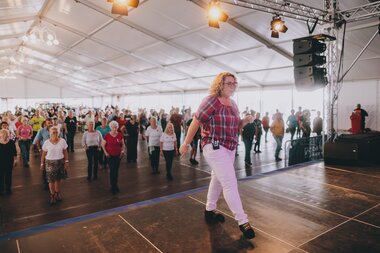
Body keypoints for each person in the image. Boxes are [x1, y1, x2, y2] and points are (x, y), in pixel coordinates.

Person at [179, 72, 256, 240]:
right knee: (229, 182)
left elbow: (236, 128)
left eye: (234, 83)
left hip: (230, 147)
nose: (232, 86)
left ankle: (209, 210)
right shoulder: (211, 100)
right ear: (220, 84)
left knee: (218, 179)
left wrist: (245, 121)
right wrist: (185, 143)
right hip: (213, 146)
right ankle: (243, 221)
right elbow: (196, 121)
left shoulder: (234, 104)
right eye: (229, 83)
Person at [40, 127, 69, 205]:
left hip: (60, 162)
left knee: (58, 180)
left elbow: (65, 151)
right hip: (49, 163)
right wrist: (42, 163)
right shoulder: (46, 142)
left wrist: (66, 161)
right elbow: (43, 154)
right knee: (51, 181)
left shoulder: (62, 141)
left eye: (56, 132)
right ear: (49, 133)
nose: (55, 134)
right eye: (53, 132)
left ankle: (57, 193)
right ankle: (52, 195)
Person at [102, 121, 125, 195]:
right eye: (113, 127)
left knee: (116, 171)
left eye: (115, 127)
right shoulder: (107, 135)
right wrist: (106, 153)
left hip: (118, 156)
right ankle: (113, 186)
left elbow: (123, 144)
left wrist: (122, 151)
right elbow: (103, 145)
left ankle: (116, 185)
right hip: (110, 156)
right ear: (110, 128)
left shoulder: (120, 135)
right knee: (112, 171)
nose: (114, 129)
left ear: (117, 127)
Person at [0, 129, 17, 195]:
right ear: (0, 135)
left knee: (8, 175)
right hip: (0, 162)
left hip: (9, 161)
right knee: (0, 175)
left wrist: (15, 160)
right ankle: (1, 189)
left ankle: (8, 188)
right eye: (3, 134)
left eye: (6, 134)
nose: (5, 135)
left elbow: (14, 153)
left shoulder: (11, 142)